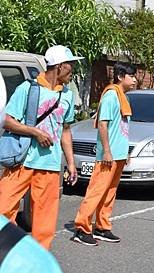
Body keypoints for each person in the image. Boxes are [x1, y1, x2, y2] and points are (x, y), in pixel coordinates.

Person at [0, 45, 80, 249]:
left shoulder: (67, 95)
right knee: (3, 207)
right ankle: (8, 250)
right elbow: (7, 121)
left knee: (44, 221)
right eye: (70, 66)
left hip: (50, 165)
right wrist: (35, 132)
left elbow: (65, 130)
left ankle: (38, 260)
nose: (72, 70)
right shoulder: (28, 89)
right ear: (60, 66)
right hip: (22, 160)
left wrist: (71, 163)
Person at [72, 62, 137, 246]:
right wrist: (107, 151)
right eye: (131, 76)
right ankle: (81, 228)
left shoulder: (123, 97)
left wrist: (125, 152)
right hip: (108, 155)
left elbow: (122, 128)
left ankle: (102, 227)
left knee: (110, 192)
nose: (134, 80)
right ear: (120, 76)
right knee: (96, 191)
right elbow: (103, 124)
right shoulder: (111, 96)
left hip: (118, 154)